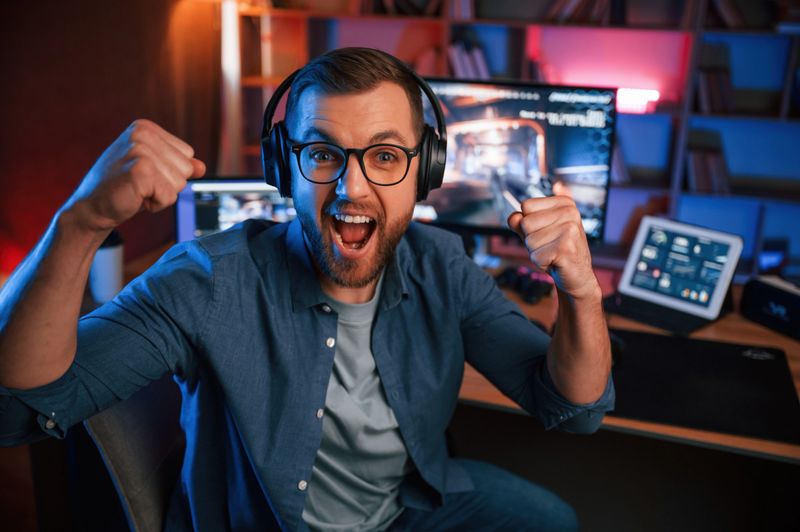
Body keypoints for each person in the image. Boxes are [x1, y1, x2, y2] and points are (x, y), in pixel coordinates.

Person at [0, 48, 613, 531]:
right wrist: (80, 221)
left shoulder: (442, 265)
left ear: (424, 170)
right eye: (322, 154)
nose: (351, 188)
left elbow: (571, 407)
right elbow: (17, 408)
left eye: (385, 156)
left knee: (552, 519)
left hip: (404, 507)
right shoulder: (208, 280)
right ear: (281, 167)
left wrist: (581, 290)